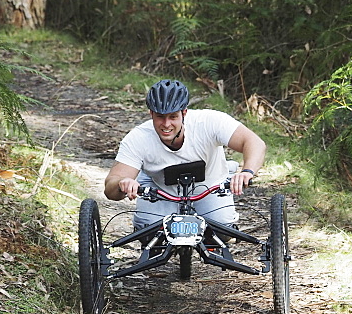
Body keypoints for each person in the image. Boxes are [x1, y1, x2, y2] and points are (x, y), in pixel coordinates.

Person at [104, 79, 266, 229]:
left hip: (211, 187)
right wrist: (122, 184)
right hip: (160, 191)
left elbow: (254, 142)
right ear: (151, 114)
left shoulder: (209, 122)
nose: (166, 124)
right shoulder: (138, 138)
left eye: (173, 117)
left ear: (184, 113)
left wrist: (247, 172)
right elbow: (111, 186)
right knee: (148, 230)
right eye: (160, 117)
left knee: (222, 228)